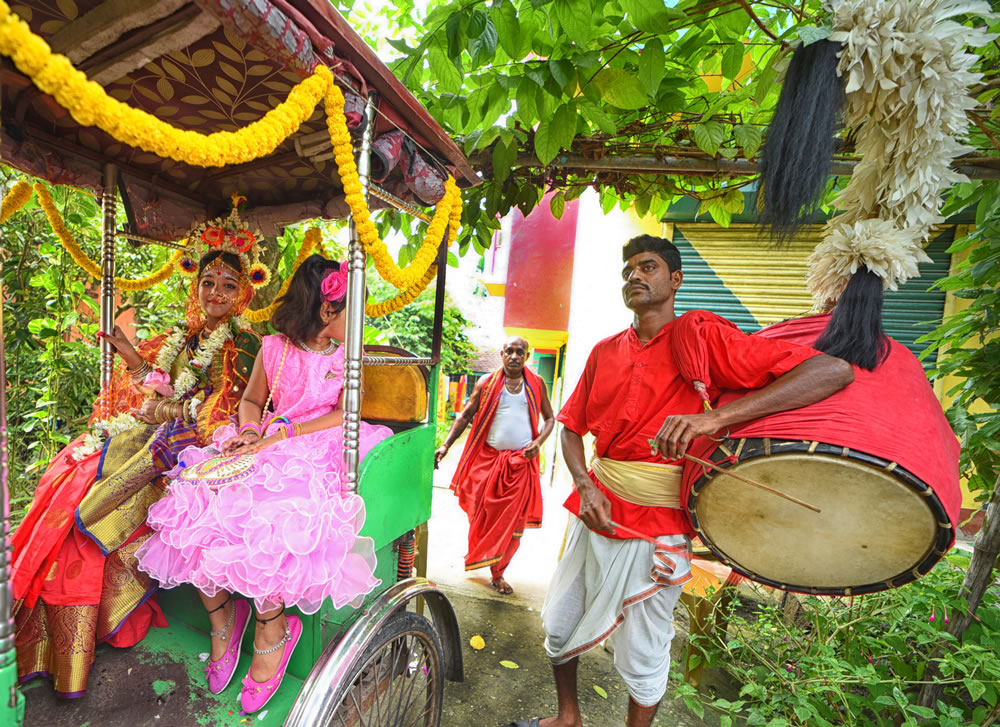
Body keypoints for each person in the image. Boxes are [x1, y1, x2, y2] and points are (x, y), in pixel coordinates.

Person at [510, 235, 854, 727]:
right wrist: (584, 483)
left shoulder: (701, 338)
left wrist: (716, 419)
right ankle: (568, 719)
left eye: (648, 267)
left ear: (675, 280)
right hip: (595, 505)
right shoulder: (604, 351)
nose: (634, 276)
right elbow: (570, 429)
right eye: (628, 269)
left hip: (661, 521)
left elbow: (832, 371)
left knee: (644, 645)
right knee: (560, 621)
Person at [136, 255, 390, 714]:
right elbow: (252, 400)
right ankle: (221, 618)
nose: (361, 320)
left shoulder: (347, 354)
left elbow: (346, 412)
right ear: (327, 311)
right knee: (196, 498)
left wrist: (285, 434)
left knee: (272, 519)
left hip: (319, 444)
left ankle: (273, 627)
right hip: (265, 439)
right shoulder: (274, 347)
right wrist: (253, 431)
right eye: (355, 310)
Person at [12, 244, 264, 699]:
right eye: (208, 282)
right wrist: (131, 357)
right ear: (196, 286)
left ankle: (88, 630)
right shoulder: (187, 337)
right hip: (154, 432)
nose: (216, 293)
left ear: (244, 292)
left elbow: (221, 408)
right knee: (73, 472)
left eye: (228, 285)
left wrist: (160, 411)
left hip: (198, 444)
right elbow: (164, 383)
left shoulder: (242, 342)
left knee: (95, 504)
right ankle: (55, 638)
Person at [435, 336, 555, 595]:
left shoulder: (536, 384)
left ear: (527, 355)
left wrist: (539, 442)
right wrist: (445, 446)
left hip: (520, 465)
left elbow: (550, 419)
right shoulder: (486, 383)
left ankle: (498, 573)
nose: (514, 356)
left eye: (520, 352)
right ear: (502, 355)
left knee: (512, 524)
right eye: (509, 351)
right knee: (481, 513)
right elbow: (466, 414)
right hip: (487, 461)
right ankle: (484, 556)